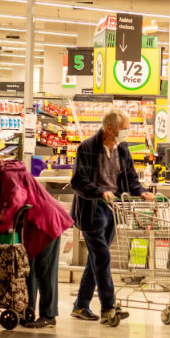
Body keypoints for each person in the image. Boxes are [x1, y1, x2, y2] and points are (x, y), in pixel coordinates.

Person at [0, 152, 74, 329]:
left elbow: (14, 203)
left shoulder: (8, 175)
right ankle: (25, 311)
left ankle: (48, 315)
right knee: (28, 270)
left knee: (45, 271)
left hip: (44, 223)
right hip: (30, 226)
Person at [70, 107, 154, 324]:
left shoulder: (123, 149)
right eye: (125, 128)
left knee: (96, 258)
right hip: (91, 211)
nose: (128, 132)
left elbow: (131, 179)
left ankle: (80, 305)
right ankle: (108, 308)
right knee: (103, 256)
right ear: (110, 128)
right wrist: (100, 192)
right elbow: (78, 181)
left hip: (114, 210)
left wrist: (142, 191)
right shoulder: (87, 148)